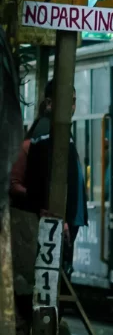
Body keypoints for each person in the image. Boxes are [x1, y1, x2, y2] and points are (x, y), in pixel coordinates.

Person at [9, 79, 88, 287]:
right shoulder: (47, 133)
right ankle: (46, 315)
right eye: (66, 101)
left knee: (59, 274)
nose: (71, 107)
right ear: (50, 103)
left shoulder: (58, 131)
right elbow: (42, 177)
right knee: (53, 276)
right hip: (56, 220)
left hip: (66, 220)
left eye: (73, 101)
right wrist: (55, 213)